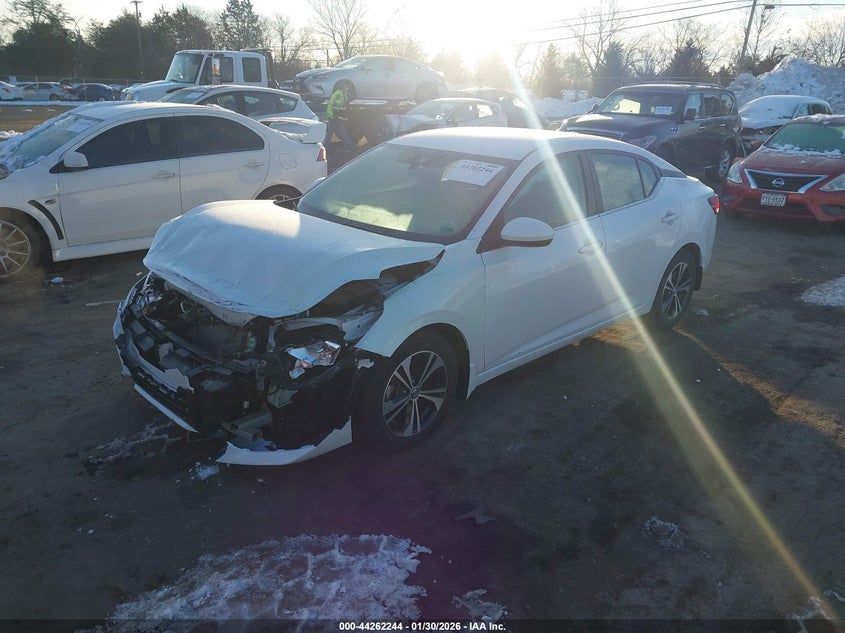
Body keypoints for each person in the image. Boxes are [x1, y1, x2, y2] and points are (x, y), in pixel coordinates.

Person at [323, 85, 356, 152]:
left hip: (333, 117)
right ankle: (350, 147)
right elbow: (336, 106)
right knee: (341, 132)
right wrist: (337, 116)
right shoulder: (339, 95)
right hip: (335, 117)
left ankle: (326, 148)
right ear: (343, 88)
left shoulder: (339, 94)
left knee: (330, 133)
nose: (346, 89)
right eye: (346, 88)